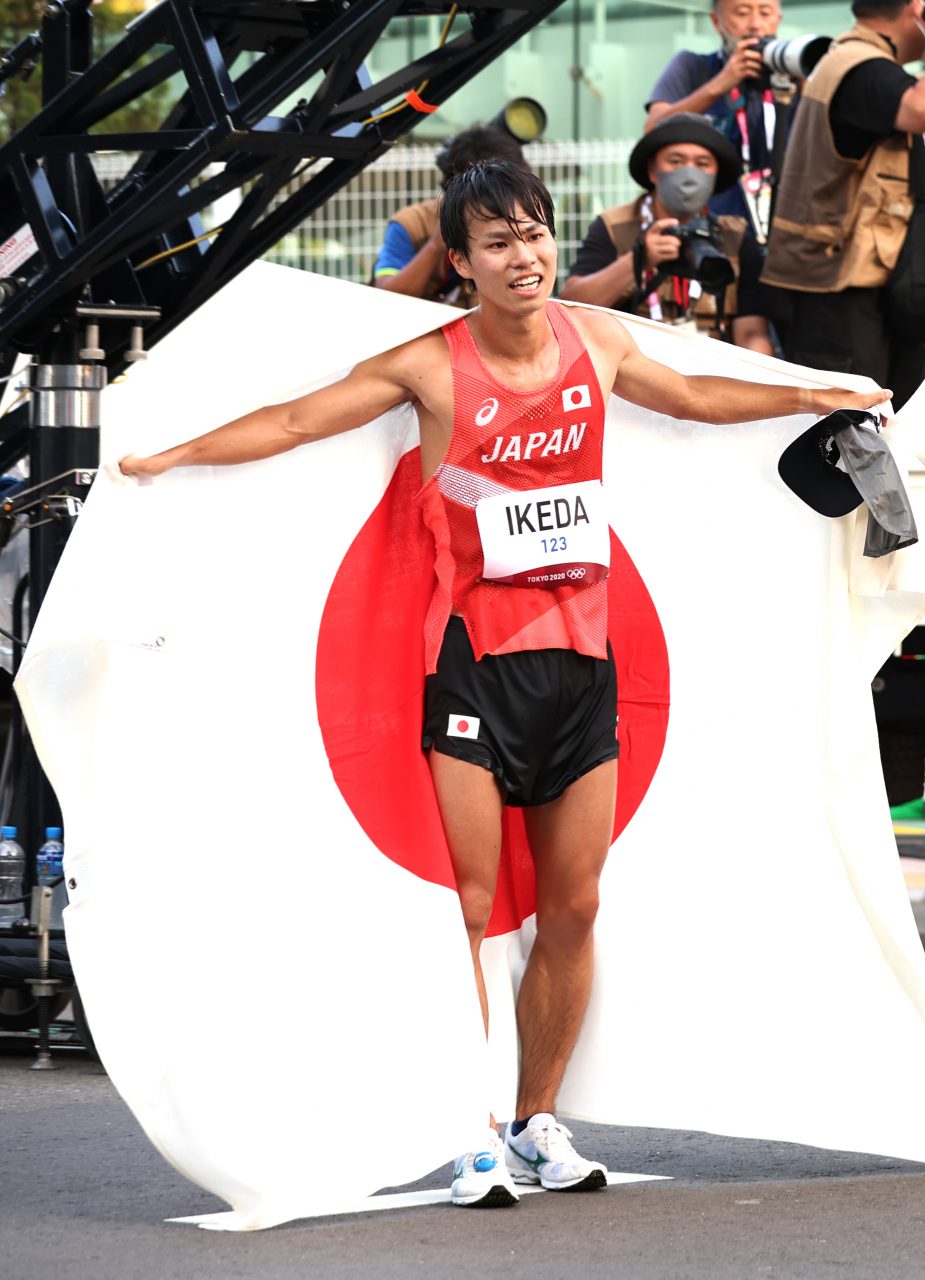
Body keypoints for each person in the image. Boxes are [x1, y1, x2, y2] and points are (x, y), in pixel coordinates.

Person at [118, 161, 885, 1208]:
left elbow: (699, 395)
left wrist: (811, 390)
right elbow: (299, 421)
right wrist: (166, 456)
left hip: (584, 668)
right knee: (472, 909)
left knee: (573, 904)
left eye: (533, 234)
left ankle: (534, 1120)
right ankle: (469, 1124)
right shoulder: (430, 366)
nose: (522, 257)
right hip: (474, 668)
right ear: (463, 263)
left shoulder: (599, 341)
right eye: (497, 243)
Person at [760, 0, 925, 403]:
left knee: (878, 429)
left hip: (855, 282)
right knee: (849, 436)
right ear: (915, 9)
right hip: (840, 291)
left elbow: (892, 188)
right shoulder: (858, 66)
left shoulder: (855, 64)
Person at [561, 114, 774, 355]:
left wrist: (758, 384)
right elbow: (571, 308)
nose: (690, 174)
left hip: (713, 376)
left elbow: (752, 333)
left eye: (703, 164)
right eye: (676, 161)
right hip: (633, 373)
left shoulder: (735, 236)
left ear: (714, 177)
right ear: (652, 170)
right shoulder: (614, 227)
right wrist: (637, 260)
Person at [645, 0, 792, 241]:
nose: (755, 25)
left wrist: (805, 83)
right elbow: (653, 129)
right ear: (716, 21)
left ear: (778, 19)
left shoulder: (792, 76)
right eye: (742, 13)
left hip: (786, 231)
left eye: (765, 12)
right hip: (713, 232)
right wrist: (721, 83)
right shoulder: (694, 67)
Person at [372, 123, 529, 306]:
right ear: (455, 187)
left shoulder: (522, 226)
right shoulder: (410, 223)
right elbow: (386, 299)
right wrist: (435, 246)